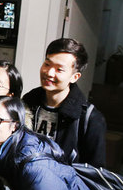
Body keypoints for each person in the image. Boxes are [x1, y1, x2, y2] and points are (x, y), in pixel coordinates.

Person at [22, 38, 107, 167]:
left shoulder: (90, 118)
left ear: (75, 77)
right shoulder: (29, 100)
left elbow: (95, 170)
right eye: (47, 64)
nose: (49, 73)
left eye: (59, 69)